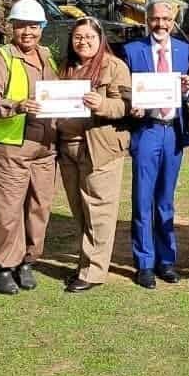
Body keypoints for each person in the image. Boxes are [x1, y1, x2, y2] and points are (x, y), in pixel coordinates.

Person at [0, 0, 60, 296]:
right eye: (22, 25)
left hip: (44, 146)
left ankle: (27, 260)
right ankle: (3, 265)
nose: (28, 32)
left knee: (38, 208)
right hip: (8, 147)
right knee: (7, 211)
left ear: (42, 28)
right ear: (11, 27)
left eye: (34, 26)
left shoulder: (47, 57)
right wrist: (17, 105)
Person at [122, 0, 189, 289]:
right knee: (142, 200)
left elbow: (188, 92)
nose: (160, 24)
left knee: (165, 200)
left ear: (173, 20)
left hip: (172, 131)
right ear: (146, 20)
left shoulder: (185, 50)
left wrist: (188, 91)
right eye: (154, 19)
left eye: (165, 19)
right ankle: (144, 263)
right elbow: (124, 90)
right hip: (147, 130)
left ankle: (166, 260)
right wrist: (132, 105)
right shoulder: (131, 51)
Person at [57, 17, 132, 292]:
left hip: (100, 148)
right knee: (79, 210)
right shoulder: (64, 68)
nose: (83, 42)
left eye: (89, 37)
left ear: (100, 39)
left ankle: (93, 272)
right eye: (78, 37)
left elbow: (127, 105)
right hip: (68, 147)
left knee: (99, 211)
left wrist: (102, 104)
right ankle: (85, 262)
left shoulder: (115, 66)